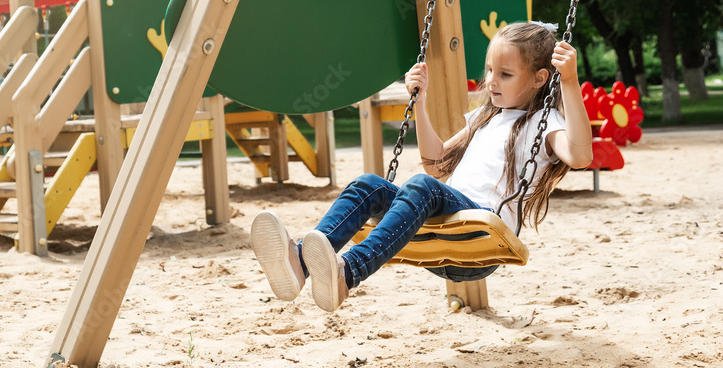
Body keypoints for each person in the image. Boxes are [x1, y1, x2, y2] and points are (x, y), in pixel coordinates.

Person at [250, 22, 594, 312]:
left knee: (420, 187)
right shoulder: (485, 118)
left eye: (504, 74)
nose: (491, 81)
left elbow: (580, 156)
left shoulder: (545, 122)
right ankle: (299, 265)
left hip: (481, 234)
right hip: (446, 224)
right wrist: (421, 103)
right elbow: (436, 163)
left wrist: (569, 81)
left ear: (538, 79)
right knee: (368, 184)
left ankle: (347, 273)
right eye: (489, 70)